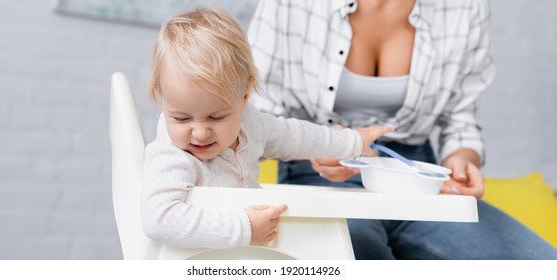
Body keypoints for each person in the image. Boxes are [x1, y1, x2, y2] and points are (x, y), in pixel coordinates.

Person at [247, 0, 557, 259]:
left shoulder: (465, 7)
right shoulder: (291, 4)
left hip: (418, 179)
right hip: (316, 174)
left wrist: (463, 161)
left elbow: (460, 122)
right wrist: (323, 144)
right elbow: (255, 116)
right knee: (360, 251)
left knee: (544, 265)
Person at [140, 7, 393, 249]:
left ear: (245, 97)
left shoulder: (250, 123)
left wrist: (354, 143)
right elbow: (159, 220)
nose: (200, 132)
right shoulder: (171, 156)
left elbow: (295, 137)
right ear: (163, 98)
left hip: (247, 254)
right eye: (182, 119)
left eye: (216, 117)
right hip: (196, 260)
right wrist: (242, 228)